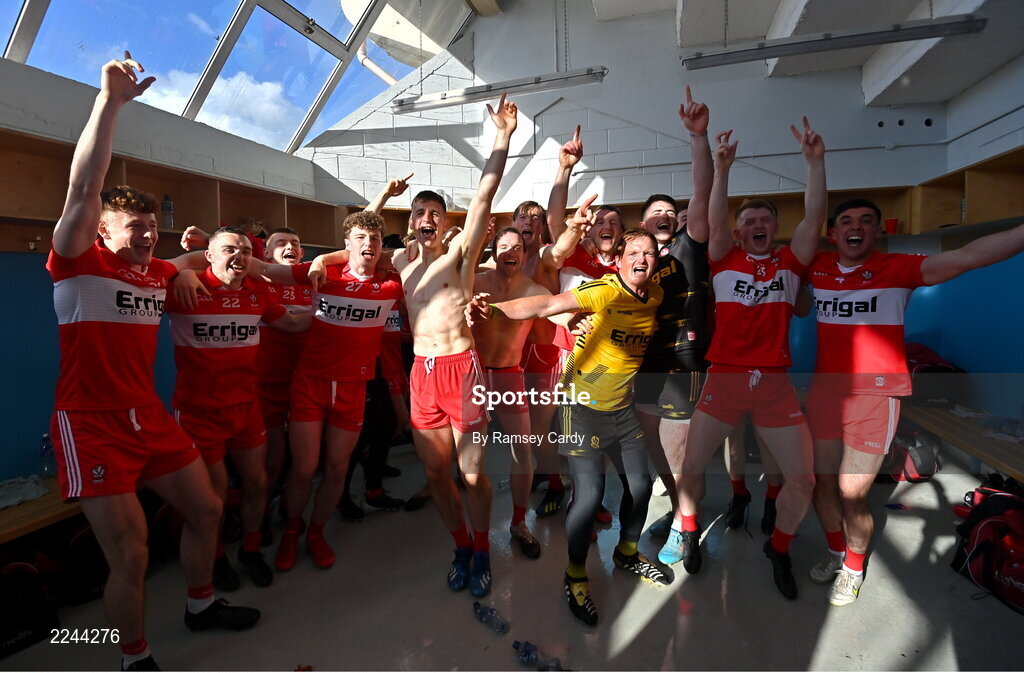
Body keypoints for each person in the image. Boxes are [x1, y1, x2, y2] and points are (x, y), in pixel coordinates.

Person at [47, 55, 258, 672]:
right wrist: (109, 102)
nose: (146, 235)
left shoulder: (159, 271)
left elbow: (195, 263)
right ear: (101, 230)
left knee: (208, 508)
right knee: (132, 553)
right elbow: (84, 187)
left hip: (149, 416)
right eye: (134, 226)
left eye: (151, 226)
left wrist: (189, 265)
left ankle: (200, 604)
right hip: (90, 421)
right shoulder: (77, 260)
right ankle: (133, 658)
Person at [310, 95, 520, 597]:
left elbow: (486, 196)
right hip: (422, 372)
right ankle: (462, 546)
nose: (427, 217)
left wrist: (502, 139)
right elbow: (358, 240)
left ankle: (485, 548)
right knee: (436, 473)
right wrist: (321, 260)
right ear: (411, 223)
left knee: (471, 475)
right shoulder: (399, 264)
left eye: (435, 212)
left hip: (461, 369)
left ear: (446, 223)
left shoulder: (459, 257)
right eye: (420, 211)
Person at [805, 198, 1024, 605]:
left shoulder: (900, 268)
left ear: (878, 231)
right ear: (833, 234)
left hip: (875, 397)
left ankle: (853, 566)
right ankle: (835, 549)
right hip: (825, 394)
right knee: (822, 482)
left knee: (853, 493)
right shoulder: (816, 267)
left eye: (866, 221)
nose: (857, 228)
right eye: (847, 222)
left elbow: (970, 256)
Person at [469, 227, 672, 626]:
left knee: (641, 486)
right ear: (619, 260)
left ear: (656, 261)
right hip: (583, 409)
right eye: (633, 253)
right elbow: (546, 305)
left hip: (623, 409)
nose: (641, 260)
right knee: (591, 495)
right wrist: (494, 310)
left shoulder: (656, 296)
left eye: (648, 253)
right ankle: (575, 576)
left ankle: (627, 553)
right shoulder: (605, 290)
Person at [662, 119, 827, 601]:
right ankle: (689, 528)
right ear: (739, 231)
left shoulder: (790, 264)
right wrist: (721, 166)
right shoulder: (723, 257)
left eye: (765, 221)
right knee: (692, 466)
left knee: (804, 478)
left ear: (775, 229)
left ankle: (778, 547)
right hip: (725, 379)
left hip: (775, 383)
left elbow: (815, 219)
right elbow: (713, 220)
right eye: (748, 221)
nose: (757, 226)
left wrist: (814, 164)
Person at [249, 211, 403, 571]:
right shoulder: (323, 274)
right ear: (345, 243)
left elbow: (423, 256)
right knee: (303, 469)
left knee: (336, 468)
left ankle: (316, 533)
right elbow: (264, 270)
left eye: (375, 239)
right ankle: (291, 531)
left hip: (353, 389)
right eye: (361, 238)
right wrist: (188, 265)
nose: (369, 244)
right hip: (310, 385)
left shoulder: (392, 283)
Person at [165, 227, 310, 590]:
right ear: (209, 256)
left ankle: (250, 549)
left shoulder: (257, 291)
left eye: (246, 250)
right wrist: (181, 269)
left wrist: (333, 308)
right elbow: (150, 273)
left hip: (247, 407)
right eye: (229, 249)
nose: (240, 256)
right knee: (213, 497)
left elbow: (291, 324)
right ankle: (216, 559)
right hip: (200, 413)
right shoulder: (186, 287)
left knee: (257, 482)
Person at [630, 86, 712, 540]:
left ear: (678, 220)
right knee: (654, 445)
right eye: (655, 211)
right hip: (646, 364)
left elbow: (703, 190)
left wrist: (697, 138)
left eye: (670, 210)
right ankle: (679, 506)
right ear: (643, 224)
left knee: (678, 447)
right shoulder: (635, 260)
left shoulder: (691, 247)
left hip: (685, 363)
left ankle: (687, 524)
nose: (664, 213)